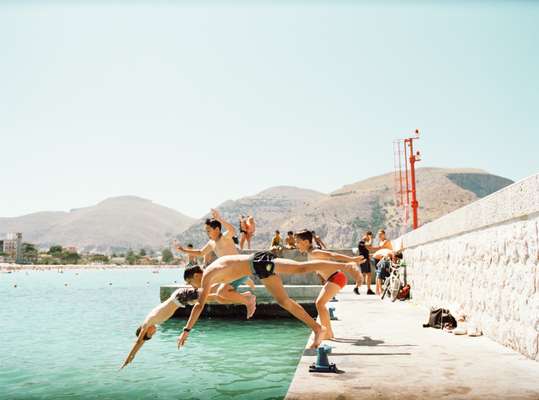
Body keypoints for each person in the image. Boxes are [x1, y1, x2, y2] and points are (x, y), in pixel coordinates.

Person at [178, 252, 361, 349]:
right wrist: (247, 297)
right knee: (284, 301)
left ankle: (345, 265)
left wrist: (186, 330)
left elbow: (200, 305)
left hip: (259, 262)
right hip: (258, 268)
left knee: (299, 268)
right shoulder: (215, 272)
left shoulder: (207, 276)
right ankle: (317, 328)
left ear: (195, 274)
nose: (194, 286)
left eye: (191, 282)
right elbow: (227, 286)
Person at [120, 286, 253, 369]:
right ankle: (244, 296)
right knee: (211, 297)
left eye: (151, 334)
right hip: (181, 299)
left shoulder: (147, 323)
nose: (154, 333)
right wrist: (132, 358)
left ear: (145, 332)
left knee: (209, 292)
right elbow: (141, 341)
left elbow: (139, 342)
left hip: (180, 297)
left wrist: (129, 358)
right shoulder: (152, 322)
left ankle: (230, 286)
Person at [294, 229, 364, 340]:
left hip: (336, 278)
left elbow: (332, 254)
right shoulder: (310, 253)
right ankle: (328, 333)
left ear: (306, 242)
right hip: (333, 279)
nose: (296, 244)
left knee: (319, 304)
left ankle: (327, 332)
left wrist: (351, 259)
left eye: (297, 241)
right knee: (320, 304)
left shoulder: (314, 252)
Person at [175, 209, 255, 298]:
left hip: (237, 268)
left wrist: (219, 219)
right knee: (220, 293)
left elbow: (232, 230)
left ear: (217, 229)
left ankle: (247, 295)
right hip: (230, 272)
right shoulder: (211, 243)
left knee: (222, 293)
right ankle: (247, 286)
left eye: (208, 231)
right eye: (206, 231)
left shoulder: (225, 238)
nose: (207, 233)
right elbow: (201, 252)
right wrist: (184, 250)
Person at [370, 229, 393, 295]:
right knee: (378, 273)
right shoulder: (381, 242)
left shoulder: (386, 241)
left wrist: (370, 248)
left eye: (381, 234)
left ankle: (379, 290)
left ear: (384, 234)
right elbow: (380, 251)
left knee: (379, 274)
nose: (379, 235)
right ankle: (379, 290)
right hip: (378, 258)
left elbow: (380, 248)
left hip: (383, 258)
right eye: (379, 234)